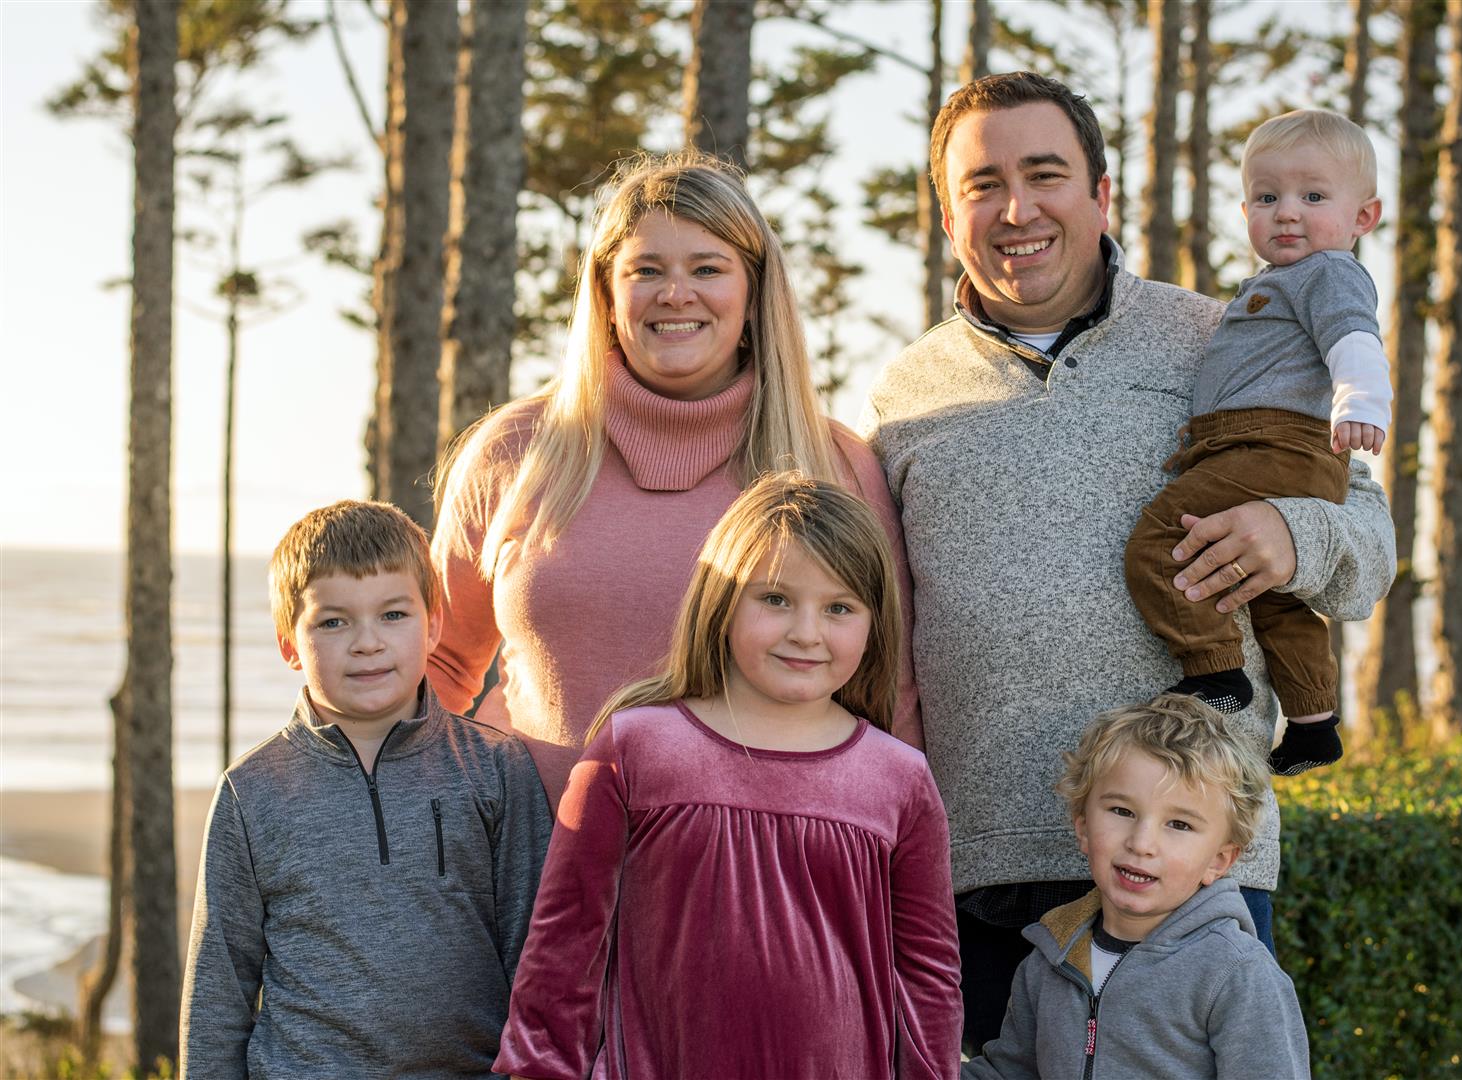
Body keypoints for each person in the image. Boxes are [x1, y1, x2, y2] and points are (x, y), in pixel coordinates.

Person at [859, 72, 1395, 1050]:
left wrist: (1292, 533)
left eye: (1045, 173)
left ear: (1102, 195)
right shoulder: (904, 392)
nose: (1017, 209)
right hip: (978, 870)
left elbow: (1370, 548)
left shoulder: (1221, 337)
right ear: (948, 213)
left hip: (1188, 866)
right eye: (983, 184)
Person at [430, 153, 918, 808]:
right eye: (646, 272)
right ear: (606, 296)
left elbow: (894, 700)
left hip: (754, 880)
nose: (675, 293)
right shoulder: (516, 452)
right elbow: (437, 665)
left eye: (708, 269)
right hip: (524, 872)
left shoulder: (831, 466)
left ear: (753, 295)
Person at [494, 473, 962, 1080]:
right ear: (722, 601)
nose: (806, 632)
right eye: (775, 599)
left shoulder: (898, 779)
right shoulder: (634, 749)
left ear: (874, 624)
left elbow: (928, 971)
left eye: (839, 607)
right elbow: (567, 937)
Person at [179, 500, 552, 1079]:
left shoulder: (496, 770)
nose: (367, 642)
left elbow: (536, 960)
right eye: (333, 621)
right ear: (288, 645)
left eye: (393, 615)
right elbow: (218, 995)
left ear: (433, 625)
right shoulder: (250, 793)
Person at [1125, 109, 1391, 776]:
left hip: (1274, 447)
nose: (1287, 213)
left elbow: (1354, 337)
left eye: (1313, 195)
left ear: (1364, 217)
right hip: (1260, 451)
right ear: (1244, 208)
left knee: (1163, 541)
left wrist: (1359, 404)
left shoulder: (1328, 273)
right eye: (1267, 197)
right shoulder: (1272, 284)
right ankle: (1313, 722)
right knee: (1271, 595)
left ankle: (1215, 672)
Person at [962, 694, 1310, 1080]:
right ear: (1082, 827)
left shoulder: (1237, 973)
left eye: (1179, 824)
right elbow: (1009, 1073)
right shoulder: (1049, 959)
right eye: (1122, 812)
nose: (1141, 843)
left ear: (1219, 860)